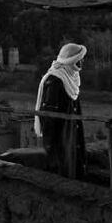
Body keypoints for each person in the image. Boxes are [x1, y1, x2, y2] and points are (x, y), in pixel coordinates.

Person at [33, 43, 87, 179]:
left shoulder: (71, 79)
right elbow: (49, 119)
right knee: (63, 173)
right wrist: (51, 150)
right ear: (72, 61)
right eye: (79, 59)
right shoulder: (55, 82)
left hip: (71, 138)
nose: (82, 62)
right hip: (60, 143)